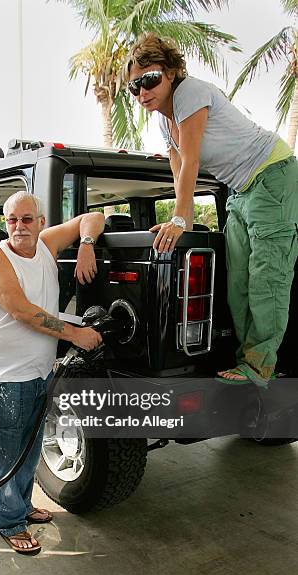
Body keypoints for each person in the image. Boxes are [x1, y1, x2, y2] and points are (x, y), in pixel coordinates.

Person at [127, 32, 298, 387]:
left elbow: (190, 161)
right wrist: (180, 223)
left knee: (267, 279)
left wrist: (177, 218)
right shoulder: (164, 121)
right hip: (241, 190)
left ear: (171, 72)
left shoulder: (190, 92)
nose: (142, 91)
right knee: (236, 285)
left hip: (272, 175)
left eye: (149, 79)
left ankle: (259, 365)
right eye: (134, 87)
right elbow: (179, 177)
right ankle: (246, 361)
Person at [0, 191, 104, 554]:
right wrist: (75, 334)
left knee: (30, 448)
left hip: (39, 373)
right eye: (12, 219)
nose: (19, 226)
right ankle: (9, 521)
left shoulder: (46, 246)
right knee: (5, 452)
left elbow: (92, 217)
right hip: (6, 377)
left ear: (41, 222)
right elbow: (22, 311)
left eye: (27, 219)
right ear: (5, 223)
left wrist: (86, 244)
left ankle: (22, 505)